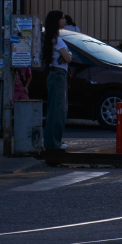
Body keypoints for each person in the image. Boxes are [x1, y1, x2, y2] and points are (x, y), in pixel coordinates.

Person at [40, 10, 72, 152]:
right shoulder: (57, 39)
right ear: (56, 21)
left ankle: (53, 141)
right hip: (59, 75)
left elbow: (67, 56)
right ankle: (54, 143)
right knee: (57, 110)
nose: (64, 21)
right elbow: (69, 58)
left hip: (56, 74)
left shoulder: (52, 38)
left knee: (55, 109)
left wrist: (67, 55)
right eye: (62, 18)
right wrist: (68, 54)